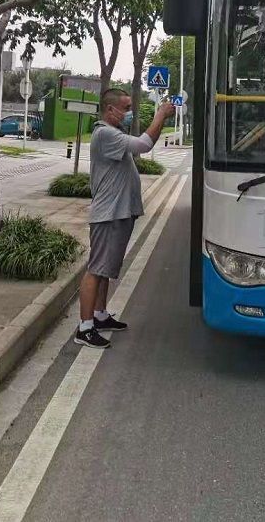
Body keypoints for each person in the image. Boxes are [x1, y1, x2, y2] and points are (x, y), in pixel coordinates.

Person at [75, 89, 176, 349]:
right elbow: (143, 145)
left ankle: (100, 316)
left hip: (118, 212)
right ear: (111, 109)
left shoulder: (114, 133)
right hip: (108, 214)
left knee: (105, 269)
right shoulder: (105, 133)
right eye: (126, 107)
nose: (130, 112)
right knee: (96, 269)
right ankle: (85, 328)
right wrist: (161, 115)